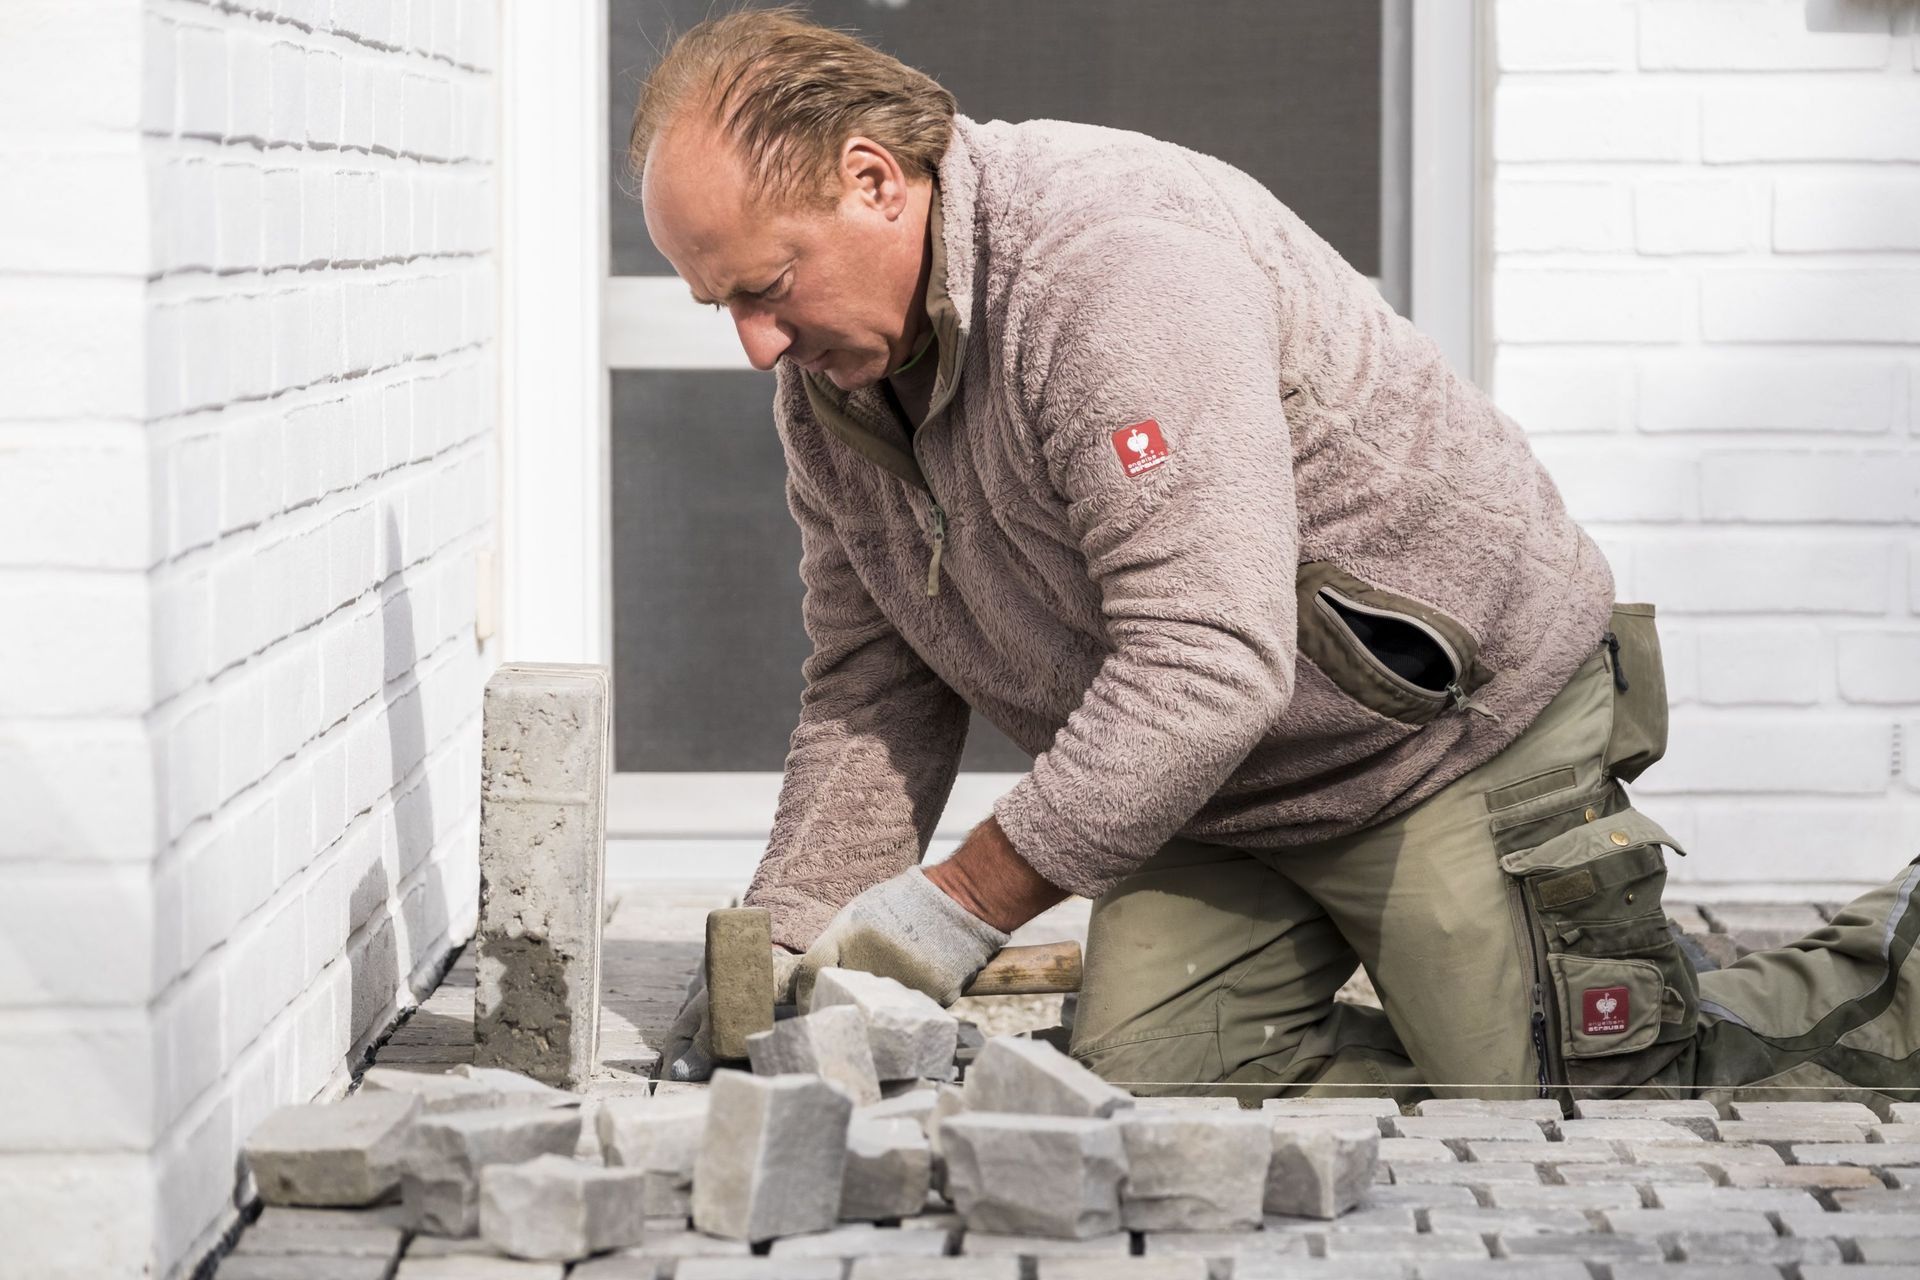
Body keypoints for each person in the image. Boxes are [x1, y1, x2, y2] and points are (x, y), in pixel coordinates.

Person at [637, 8, 1920, 1102]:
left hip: (1446, 738)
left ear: (872, 179)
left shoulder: (1108, 270)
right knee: (1149, 1084)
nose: (754, 344)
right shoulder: (836, 394)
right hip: (1215, 787)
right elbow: (875, 682)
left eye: (767, 286)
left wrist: (957, 902)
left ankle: (1879, 961)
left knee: (1597, 1095)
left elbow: (1207, 658)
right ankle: (1506, 1015)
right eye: (721, 306)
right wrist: (787, 956)